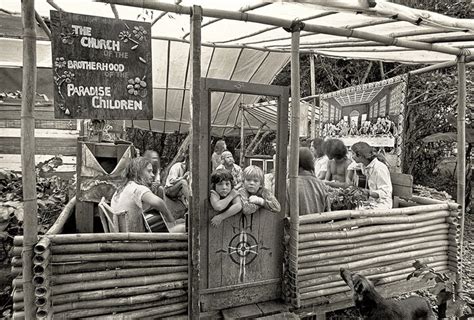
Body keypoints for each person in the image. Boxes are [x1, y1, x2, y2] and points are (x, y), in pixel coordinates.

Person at [111, 157, 184, 232]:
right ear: (138, 173)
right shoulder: (137, 188)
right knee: (184, 228)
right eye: (149, 171)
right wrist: (172, 221)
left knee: (181, 221)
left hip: (125, 236)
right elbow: (159, 202)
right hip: (139, 238)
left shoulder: (121, 190)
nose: (152, 175)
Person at [351, 142, 393, 209]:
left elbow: (385, 192)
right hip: (372, 202)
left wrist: (369, 193)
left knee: (356, 210)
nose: (352, 157)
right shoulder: (364, 164)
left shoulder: (379, 168)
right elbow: (350, 167)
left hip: (382, 204)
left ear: (360, 156)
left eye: (353, 154)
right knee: (349, 206)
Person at [288, 148, 329, 215]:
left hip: (297, 225)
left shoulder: (289, 185)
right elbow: (328, 215)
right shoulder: (321, 185)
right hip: (318, 224)